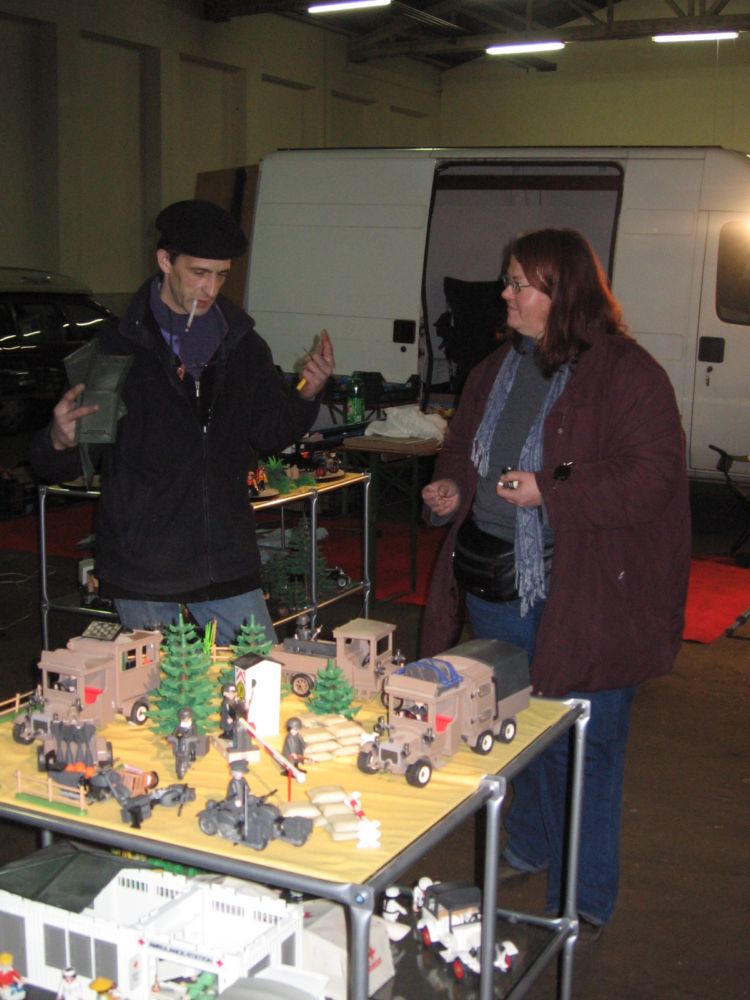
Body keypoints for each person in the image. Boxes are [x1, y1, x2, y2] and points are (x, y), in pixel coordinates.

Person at [421, 228, 690, 938]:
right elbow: (464, 445)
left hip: (587, 595)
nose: (504, 294)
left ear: (561, 294)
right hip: (496, 582)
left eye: (519, 284)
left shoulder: (626, 374)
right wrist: (452, 486)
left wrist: (553, 487)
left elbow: (650, 475)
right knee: (520, 732)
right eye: (508, 281)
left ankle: (584, 895)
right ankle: (535, 844)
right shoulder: (497, 368)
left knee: (587, 748)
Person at [30, 199, 334, 645]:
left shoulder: (244, 345)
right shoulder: (116, 348)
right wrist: (58, 440)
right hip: (145, 567)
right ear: (164, 261)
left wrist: (307, 394)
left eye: (221, 275)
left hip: (227, 561)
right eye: (199, 273)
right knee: (158, 688)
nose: (211, 288)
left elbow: (267, 434)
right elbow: (66, 460)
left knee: (261, 675)